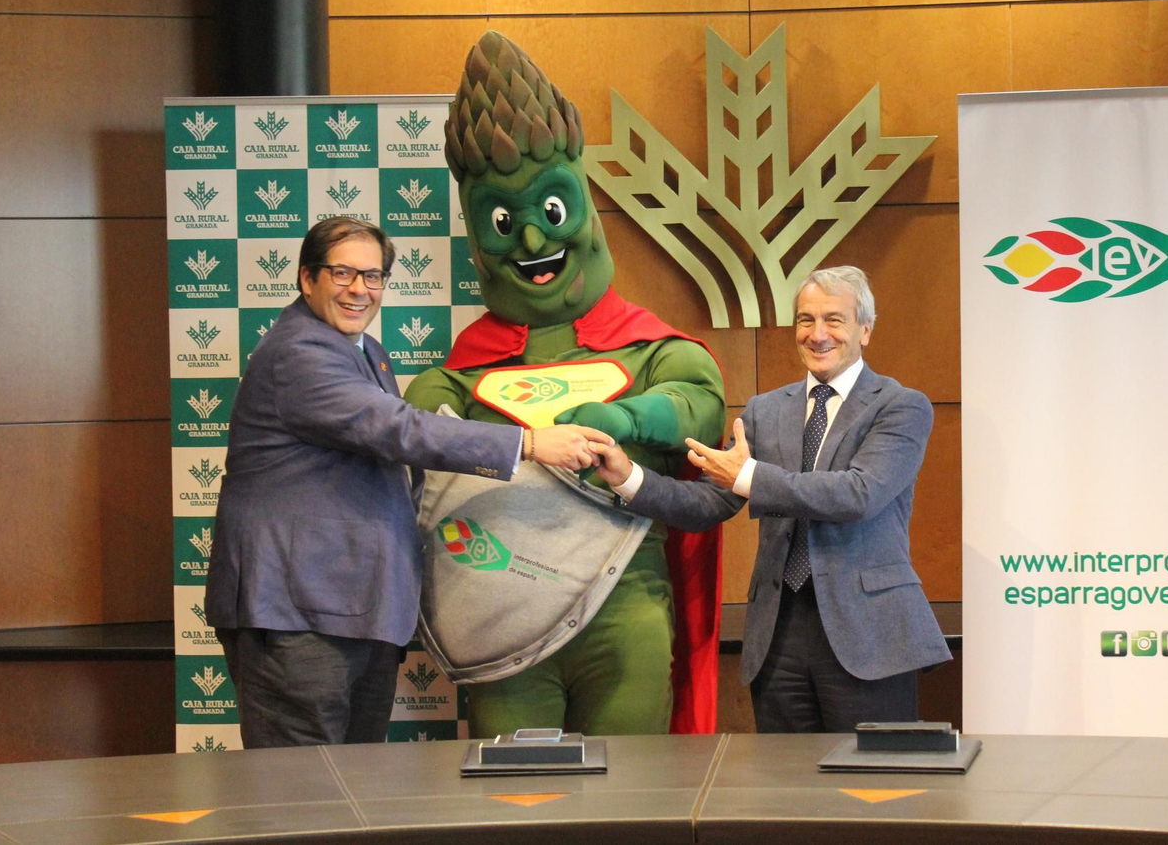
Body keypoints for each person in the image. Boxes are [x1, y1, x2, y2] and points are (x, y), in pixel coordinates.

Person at [204, 216, 613, 748]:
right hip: (297, 613)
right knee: (300, 798)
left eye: (374, 277)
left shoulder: (365, 351)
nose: (360, 290)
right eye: (343, 273)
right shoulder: (298, 356)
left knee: (356, 792)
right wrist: (529, 444)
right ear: (308, 279)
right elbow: (397, 430)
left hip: (359, 611)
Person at [595, 266, 950, 731]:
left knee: (872, 792)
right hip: (777, 635)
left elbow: (857, 494)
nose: (817, 334)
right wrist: (629, 477)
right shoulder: (765, 409)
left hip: (867, 635)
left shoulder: (901, 405)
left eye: (833, 320)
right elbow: (710, 502)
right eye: (805, 320)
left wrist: (749, 475)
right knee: (786, 793)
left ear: (865, 329)